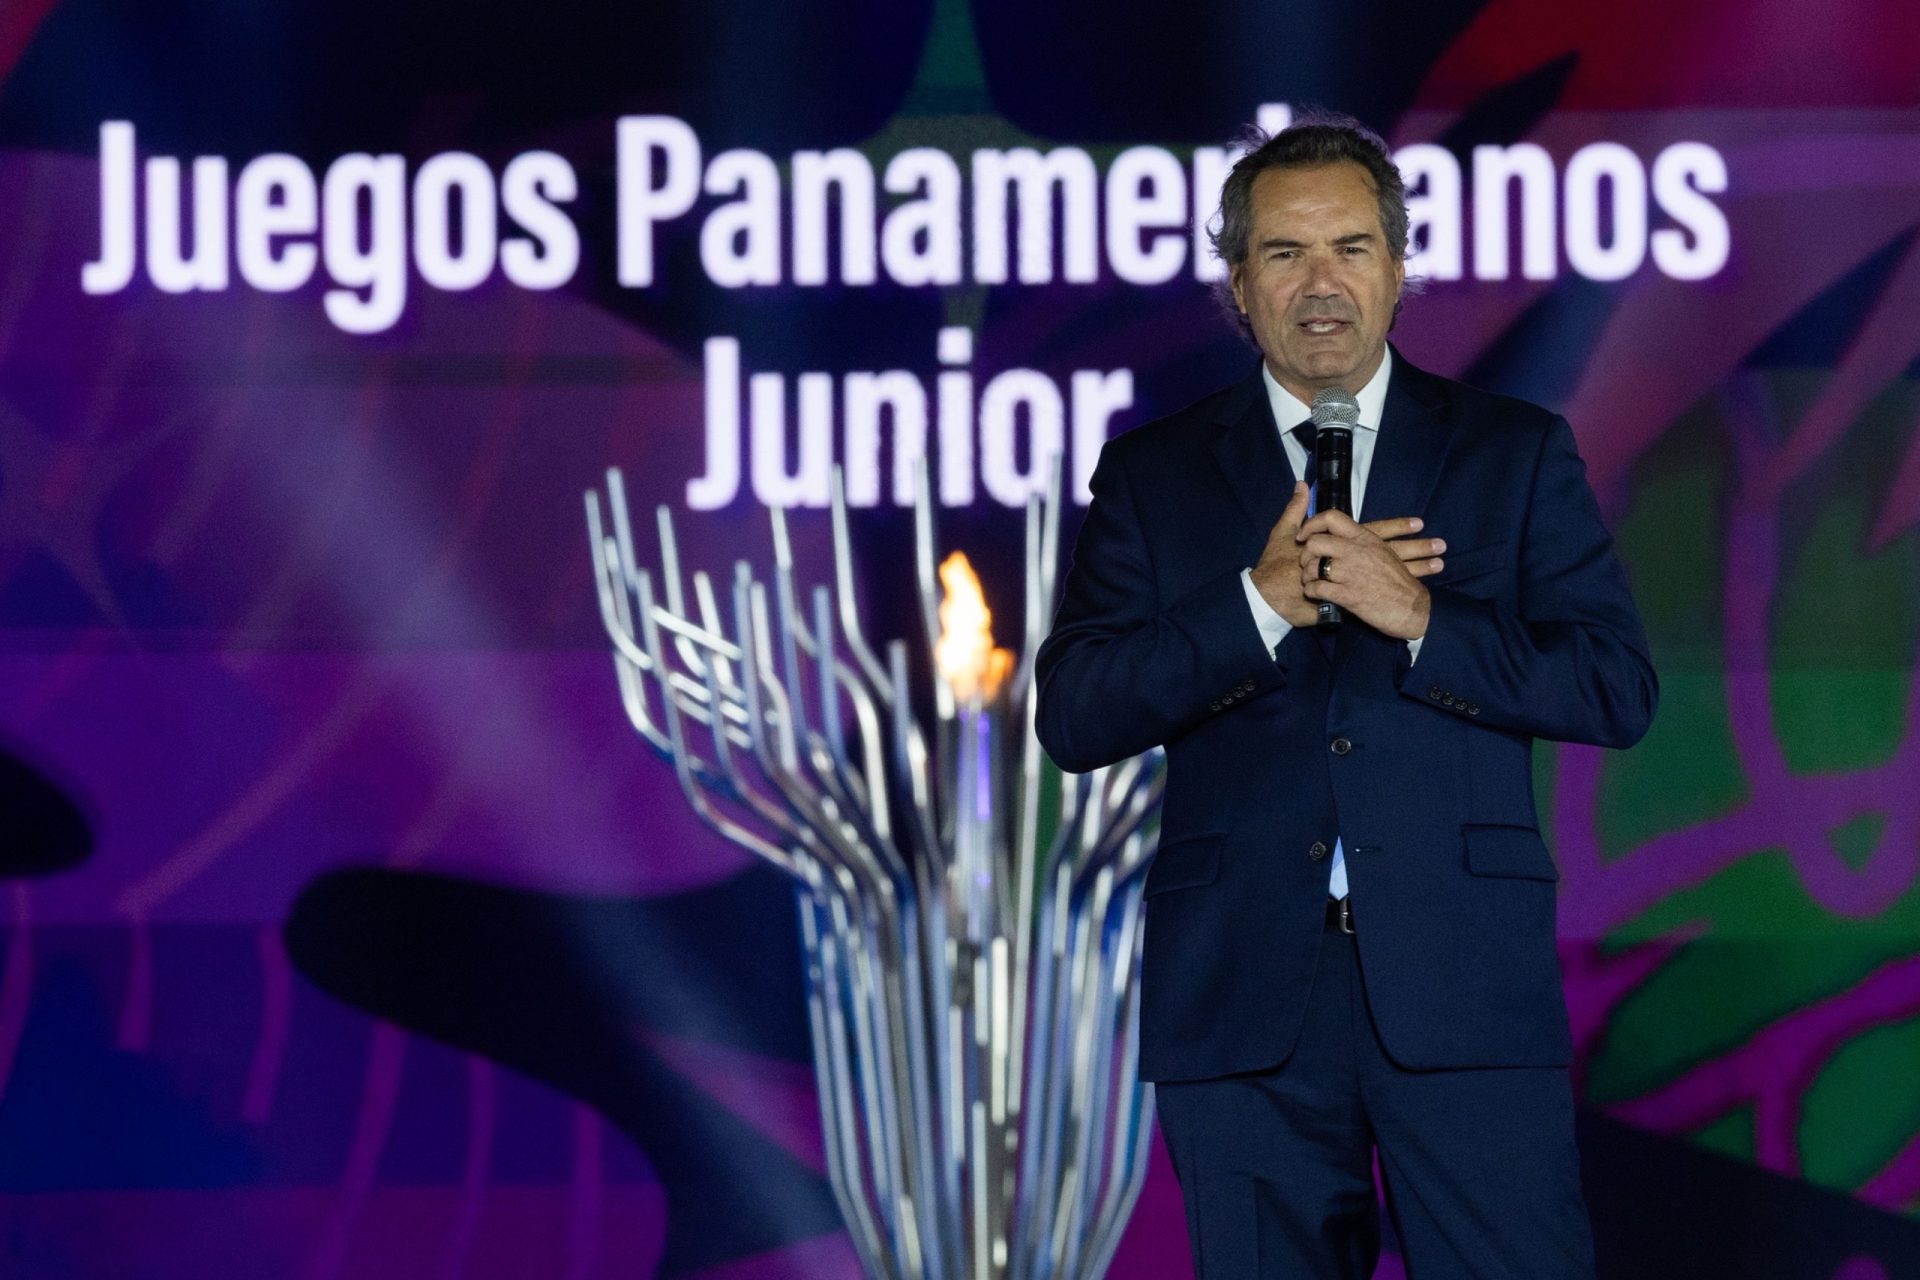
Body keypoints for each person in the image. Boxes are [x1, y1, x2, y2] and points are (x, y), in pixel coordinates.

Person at [1034, 113, 1657, 1279]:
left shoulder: (1511, 452)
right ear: (1237, 282)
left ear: (1399, 266)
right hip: (1244, 998)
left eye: (1351, 248)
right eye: (1284, 252)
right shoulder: (1156, 473)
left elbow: (1614, 686)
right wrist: (1258, 602)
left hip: (1464, 982)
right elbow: (1075, 710)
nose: (1321, 283)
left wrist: (1418, 615)